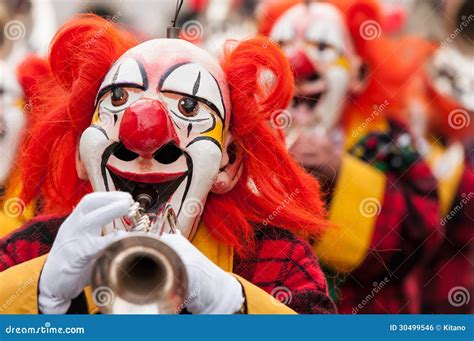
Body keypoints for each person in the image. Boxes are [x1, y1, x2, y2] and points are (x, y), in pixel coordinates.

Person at [0, 15, 336, 315]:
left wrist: (235, 305)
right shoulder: (32, 249)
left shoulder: (274, 258)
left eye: (189, 107)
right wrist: (39, 294)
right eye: (118, 100)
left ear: (228, 163)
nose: (144, 137)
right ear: (80, 154)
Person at [258, 0, 442, 313]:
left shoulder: (387, 140)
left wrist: (344, 174)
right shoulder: (240, 138)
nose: (297, 62)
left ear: (358, 72)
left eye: (322, 45)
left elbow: (424, 233)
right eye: (281, 45)